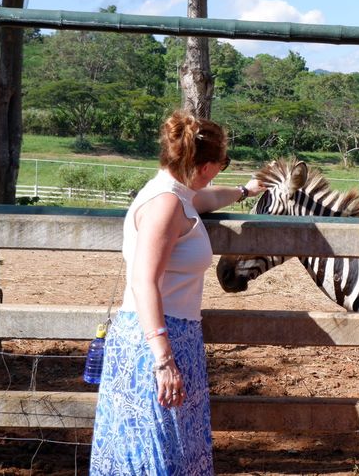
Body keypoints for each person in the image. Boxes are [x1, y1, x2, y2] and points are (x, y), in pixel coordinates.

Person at [90, 110, 265, 475]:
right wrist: (163, 359)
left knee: (172, 451)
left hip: (173, 336)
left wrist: (245, 191)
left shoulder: (177, 195)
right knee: (154, 453)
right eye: (222, 162)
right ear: (204, 165)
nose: (222, 169)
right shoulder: (165, 205)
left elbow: (206, 199)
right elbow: (143, 281)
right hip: (154, 341)